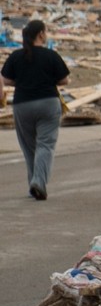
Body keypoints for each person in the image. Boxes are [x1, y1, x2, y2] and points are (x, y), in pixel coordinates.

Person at [1, 20, 70, 200]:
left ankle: (34, 181)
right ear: (40, 34)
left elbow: (5, 79)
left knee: (29, 147)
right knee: (45, 144)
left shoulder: (16, 56)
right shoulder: (51, 56)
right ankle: (38, 182)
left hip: (22, 105)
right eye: (45, 32)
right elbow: (64, 80)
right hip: (48, 103)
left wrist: (23, 81)